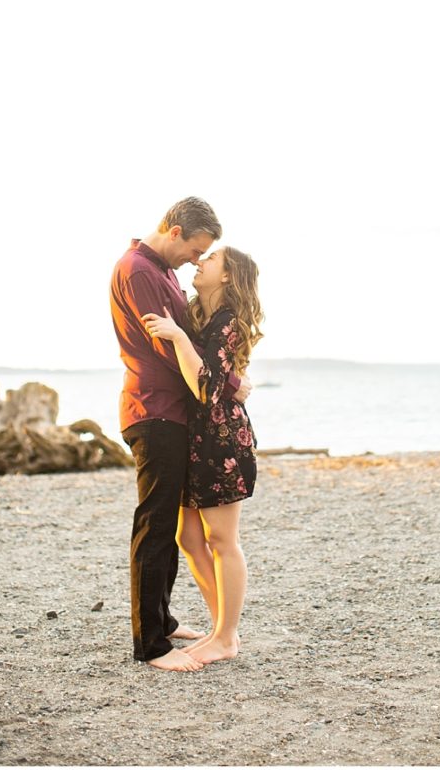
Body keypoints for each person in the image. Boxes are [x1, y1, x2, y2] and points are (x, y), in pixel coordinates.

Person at [110, 197, 251, 672]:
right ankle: (151, 645)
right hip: (155, 410)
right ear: (174, 231)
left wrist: (227, 376)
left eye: (205, 255)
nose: (197, 259)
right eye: (197, 249)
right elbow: (172, 349)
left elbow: (205, 343)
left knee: (175, 526)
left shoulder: (165, 272)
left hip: (177, 414)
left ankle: (165, 620)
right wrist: (233, 385)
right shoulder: (141, 272)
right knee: (155, 525)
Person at [142, 244, 264, 665]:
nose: (200, 261)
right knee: (189, 538)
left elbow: (206, 386)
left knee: (222, 540)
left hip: (222, 439)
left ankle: (226, 637)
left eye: (210, 259)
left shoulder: (229, 321)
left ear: (229, 276)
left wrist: (176, 334)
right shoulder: (200, 315)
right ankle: (219, 630)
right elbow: (217, 375)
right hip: (194, 438)